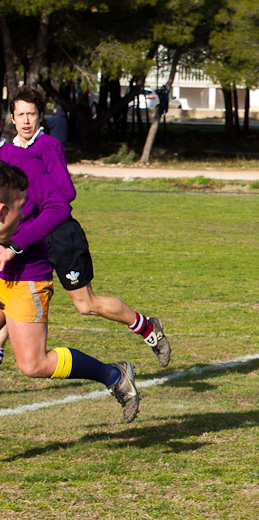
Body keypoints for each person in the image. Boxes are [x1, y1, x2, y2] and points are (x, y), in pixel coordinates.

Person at [8, 86, 171, 369]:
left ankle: (146, 327)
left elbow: (66, 193)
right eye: (20, 114)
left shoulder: (48, 146)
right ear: (12, 118)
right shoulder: (7, 152)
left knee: (86, 305)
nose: (25, 120)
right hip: (27, 239)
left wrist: (37, 198)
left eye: (31, 114)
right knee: (7, 299)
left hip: (59, 235)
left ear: (40, 116)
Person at [0, 112, 140, 423]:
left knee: (33, 365)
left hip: (24, 274)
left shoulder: (22, 164)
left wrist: (14, 244)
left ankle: (115, 376)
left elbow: (59, 205)